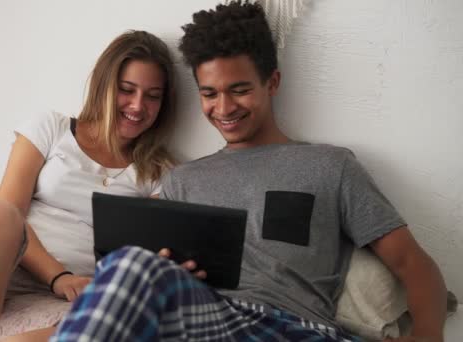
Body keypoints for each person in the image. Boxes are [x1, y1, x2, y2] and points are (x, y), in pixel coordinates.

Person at [51, 1, 448, 341]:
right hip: (204, 321)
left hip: (293, 327)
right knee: (126, 267)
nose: (223, 109)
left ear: (271, 82)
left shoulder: (330, 166)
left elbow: (414, 265)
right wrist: (169, 269)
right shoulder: (182, 181)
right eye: (209, 94)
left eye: (239, 89)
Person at [0, 30, 177, 342]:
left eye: (153, 96)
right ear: (104, 86)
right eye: (126, 90)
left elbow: (145, 259)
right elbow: (9, 210)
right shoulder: (52, 128)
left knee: (113, 326)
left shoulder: (161, 173)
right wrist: (58, 276)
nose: (138, 105)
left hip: (45, 305)